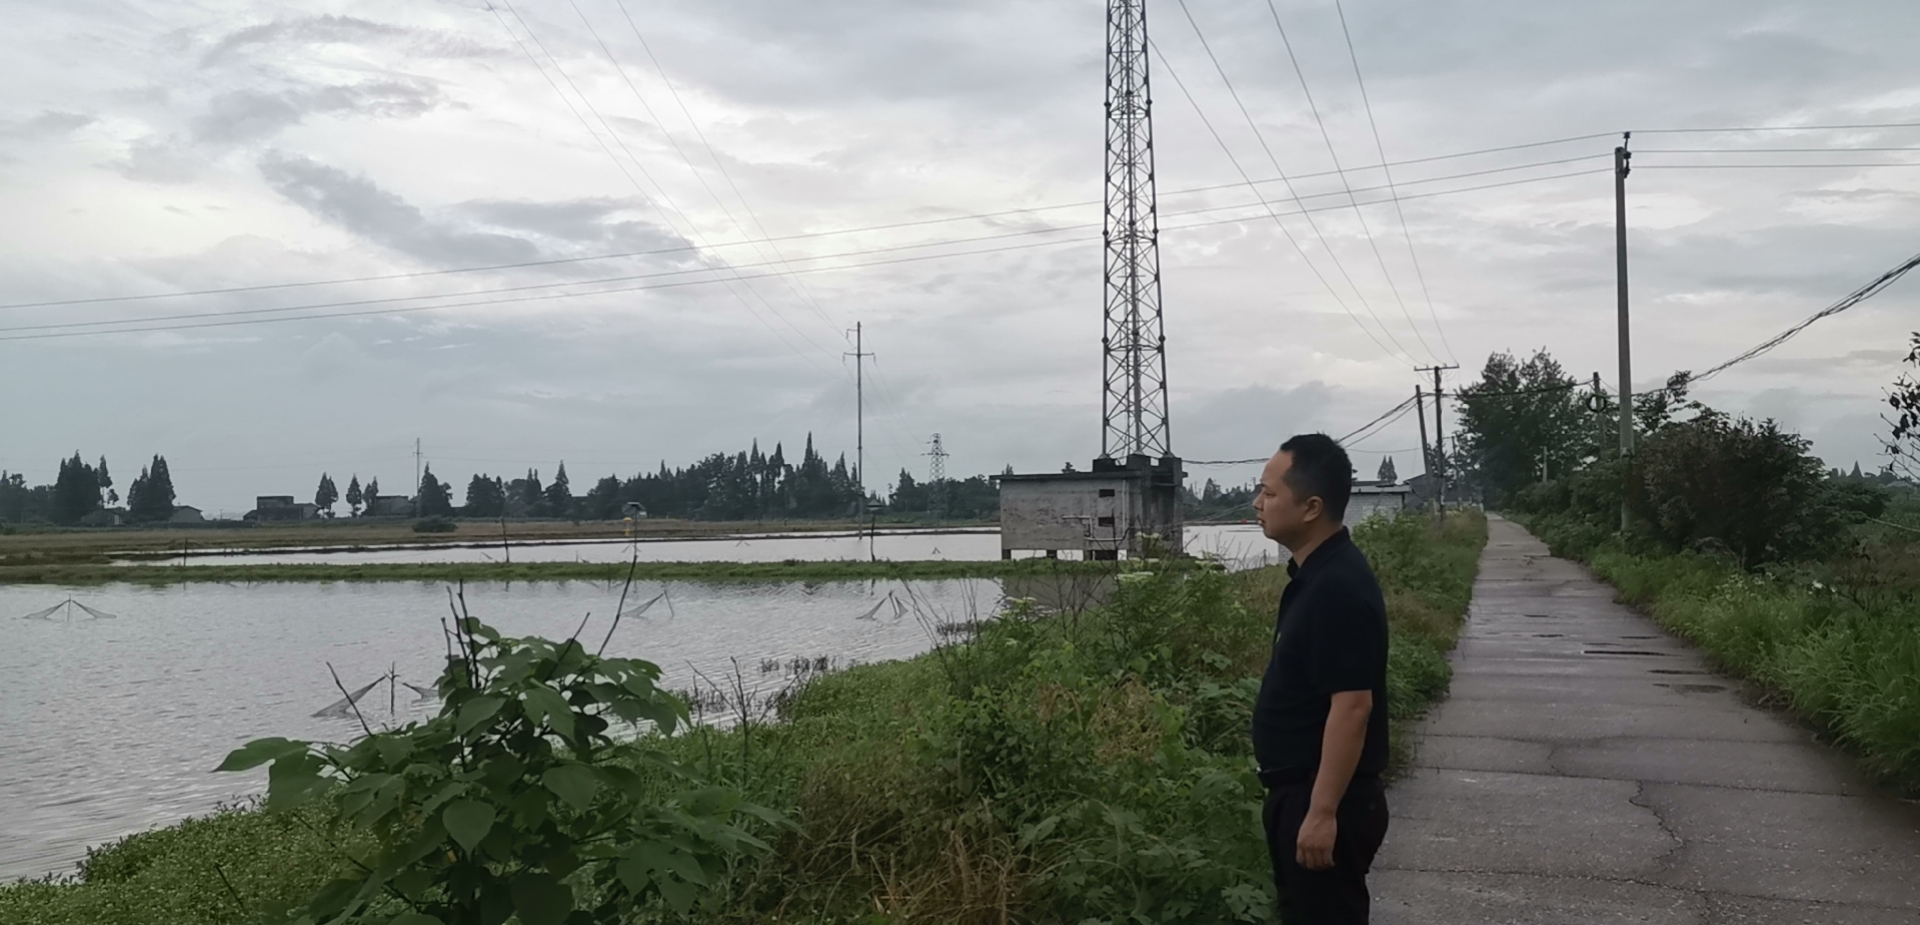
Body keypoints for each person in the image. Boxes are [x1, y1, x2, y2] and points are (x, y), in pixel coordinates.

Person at [1250, 433, 1392, 924]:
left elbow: (1353, 705)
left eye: (1269, 493)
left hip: (1324, 797)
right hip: (1302, 793)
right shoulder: (1315, 576)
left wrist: (1322, 811)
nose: (1258, 503)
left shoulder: (1337, 587)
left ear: (1311, 507)